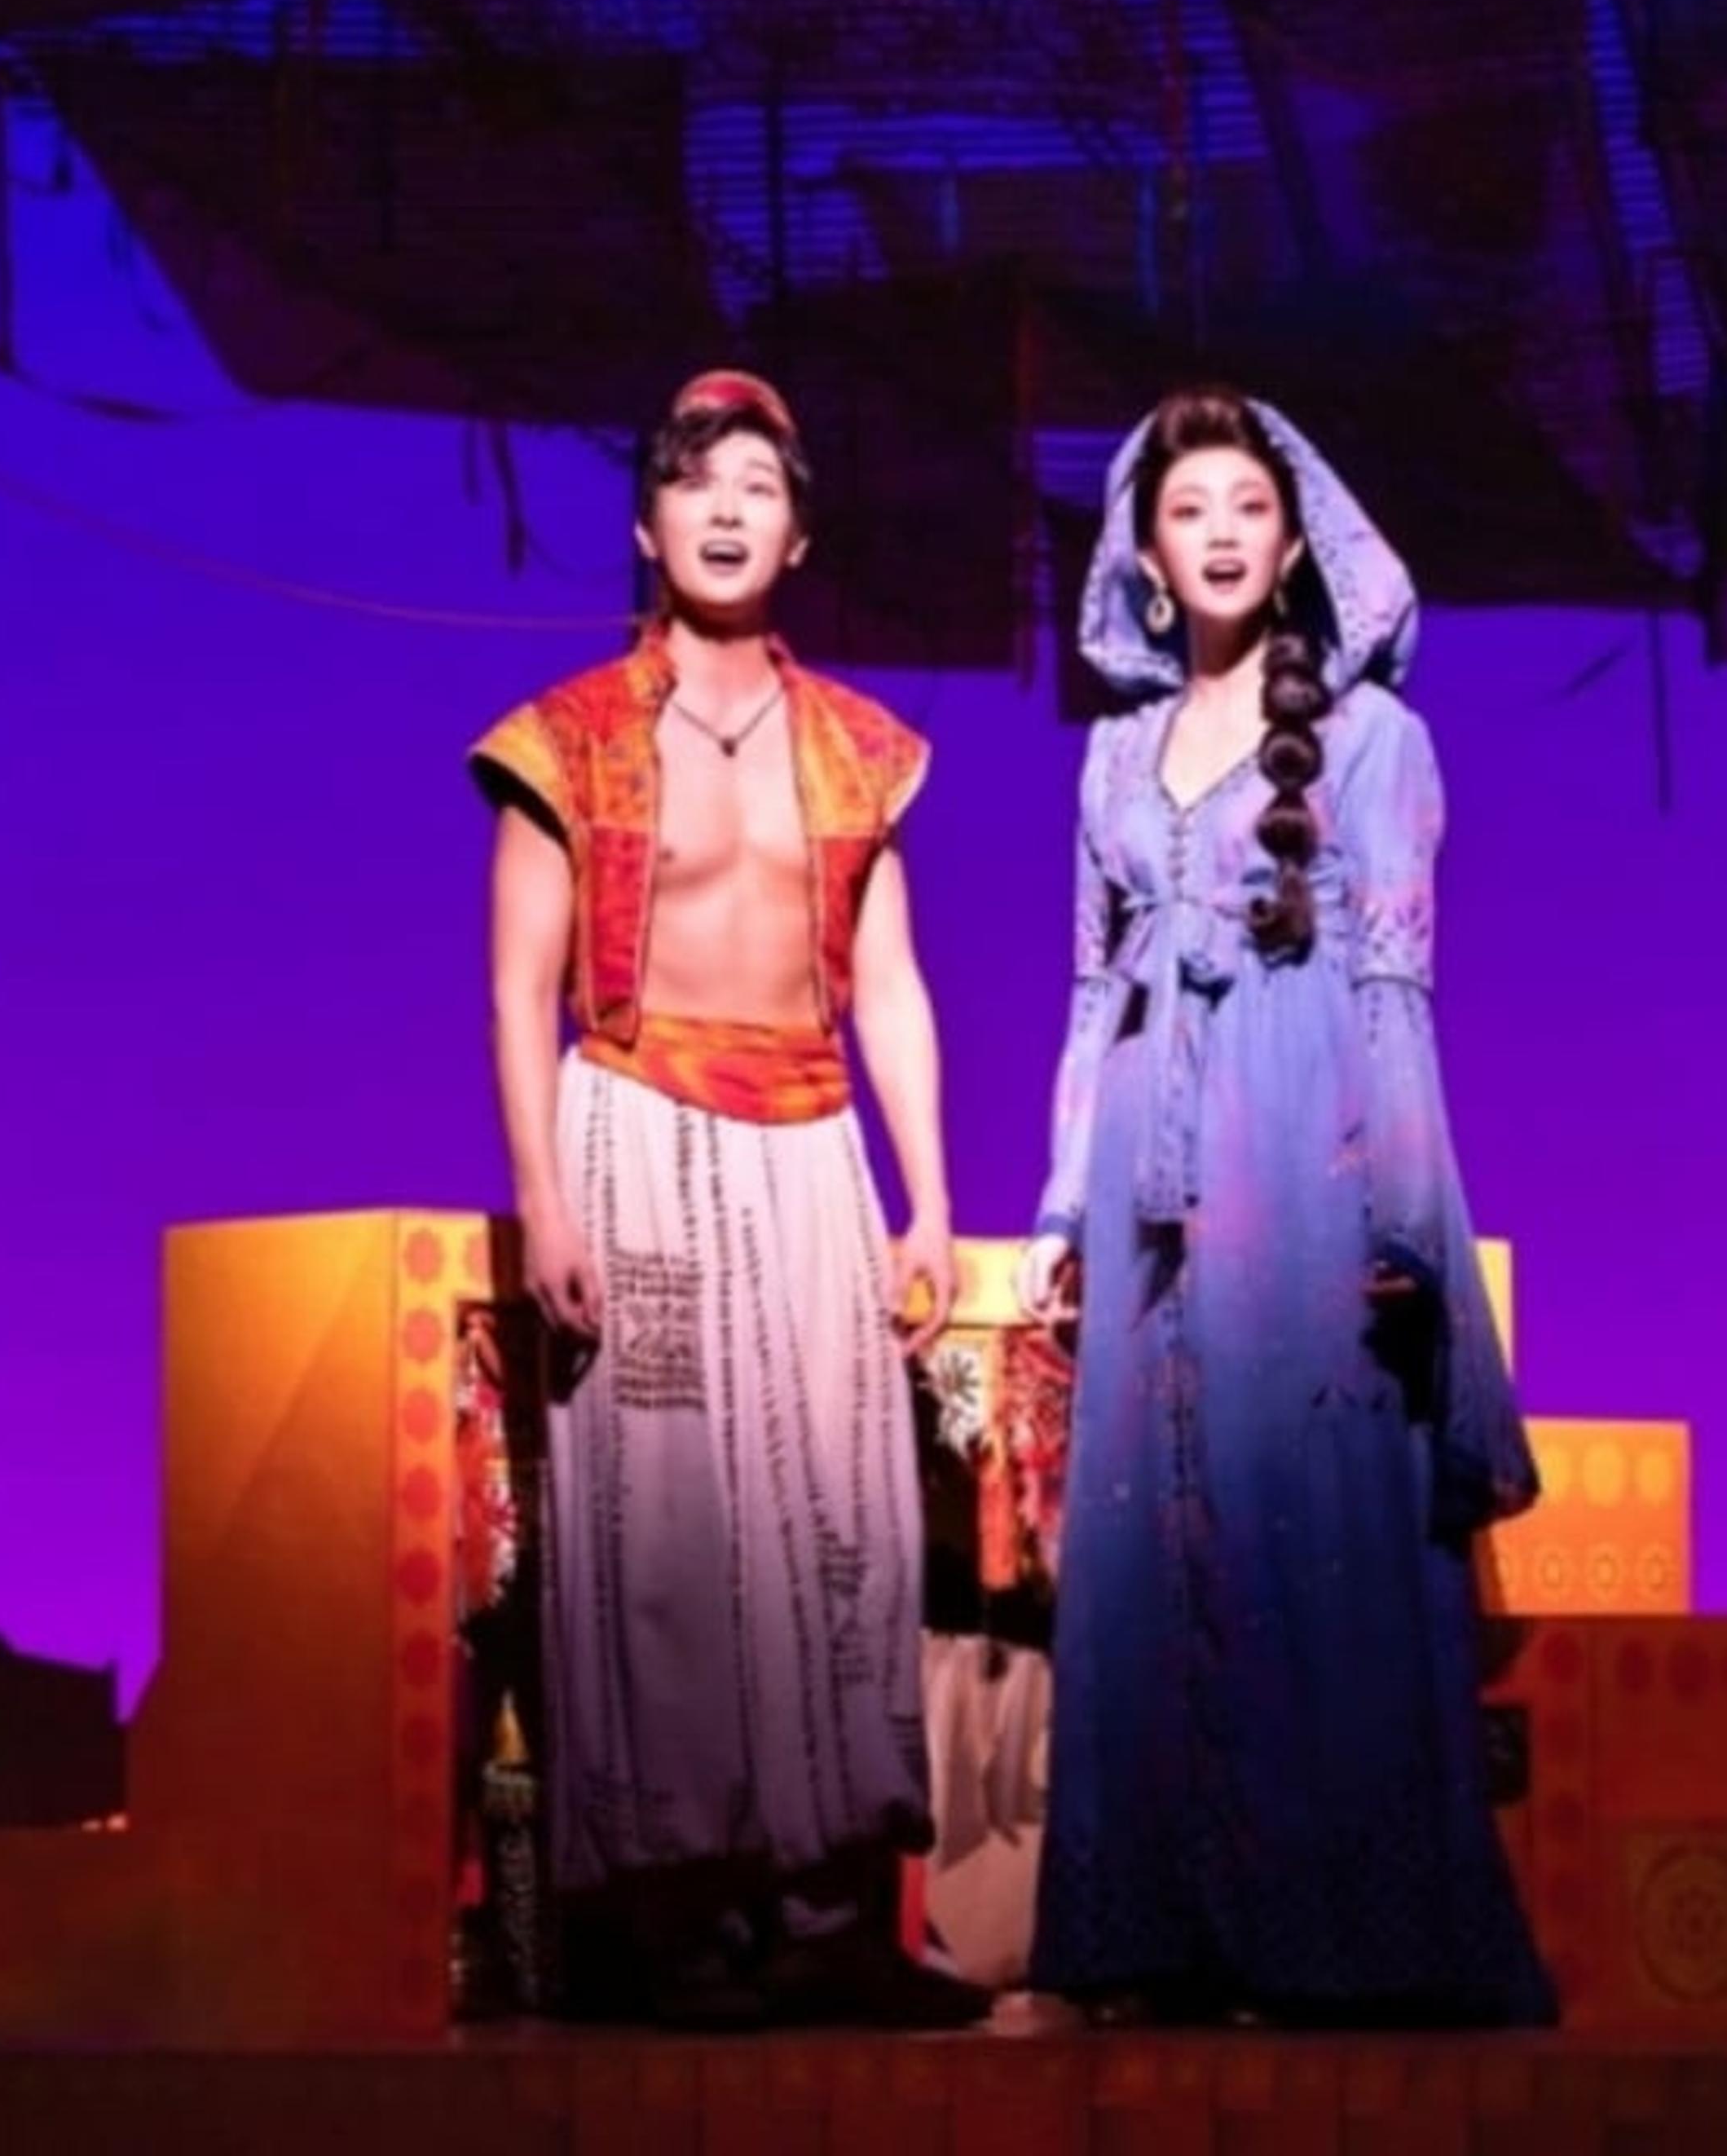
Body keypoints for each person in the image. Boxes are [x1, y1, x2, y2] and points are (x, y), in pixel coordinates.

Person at [1014, 385, 1557, 2027]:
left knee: (1298, 1519)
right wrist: (1061, 1208)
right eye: (1190, 511)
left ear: (1297, 539)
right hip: (1145, 1165)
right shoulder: (1112, 757)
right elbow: (1091, 991)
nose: (1223, 533)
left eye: (1250, 506)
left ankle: (1339, 1931)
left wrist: (1402, 1216)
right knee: (1150, 1530)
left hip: (1302, 1145)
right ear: (1146, 556)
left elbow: (1394, 988)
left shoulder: (1378, 740)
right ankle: (1165, 1929)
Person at [470, 368, 992, 2031]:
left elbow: (891, 987)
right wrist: (543, 1199)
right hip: (637, 1126)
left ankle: (835, 1912)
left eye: (758, 484)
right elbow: (520, 985)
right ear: (648, 524)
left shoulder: (859, 748)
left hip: (812, 1143)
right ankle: (675, 1916)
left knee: (843, 1521)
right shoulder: (566, 737)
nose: (726, 508)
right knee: (668, 1530)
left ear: (800, 534)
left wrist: (929, 1198)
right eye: (697, 481)